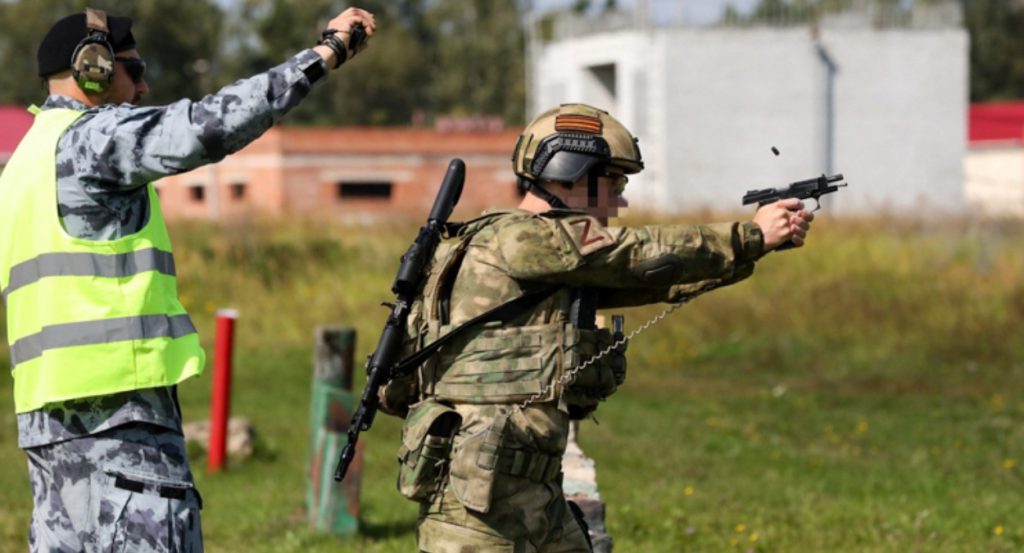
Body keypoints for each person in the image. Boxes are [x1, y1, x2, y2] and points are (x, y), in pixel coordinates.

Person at [0, 6, 375, 552]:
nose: (145, 85)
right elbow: (209, 125)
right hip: (121, 426)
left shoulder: (24, 163)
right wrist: (323, 54)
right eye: (135, 67)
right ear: (94, 67)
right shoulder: (90, 141)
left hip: (51, 431)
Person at [378, 103, 814, 552]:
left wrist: (756, 250)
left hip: (533, 494)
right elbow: (633, 253)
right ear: (569, 171)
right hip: (475, 512)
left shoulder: (546, 257)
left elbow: (651, 275)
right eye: (614, 182)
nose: (620, 199)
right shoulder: (522, 239)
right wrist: (748, 236)